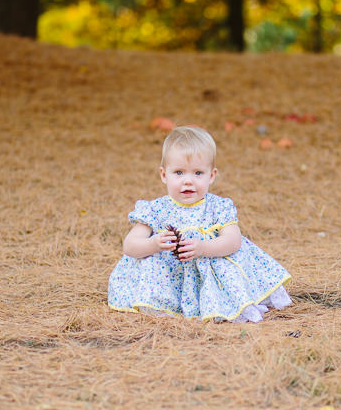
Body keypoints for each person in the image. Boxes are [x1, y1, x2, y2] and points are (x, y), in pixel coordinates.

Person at [108, 126, 292, 322]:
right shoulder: (155, 210)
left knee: (227, 259)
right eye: (178, 173)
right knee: (150, 261)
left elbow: (233, 240)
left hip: (207, 268)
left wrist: (204, 247)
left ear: (211, 176)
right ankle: (163, 305)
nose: (188, 181)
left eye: (197, 173)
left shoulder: (217, 207)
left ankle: (218, 301)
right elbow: (130, 246)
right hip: (170, 280)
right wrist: (153, 244)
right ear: (164, 175)